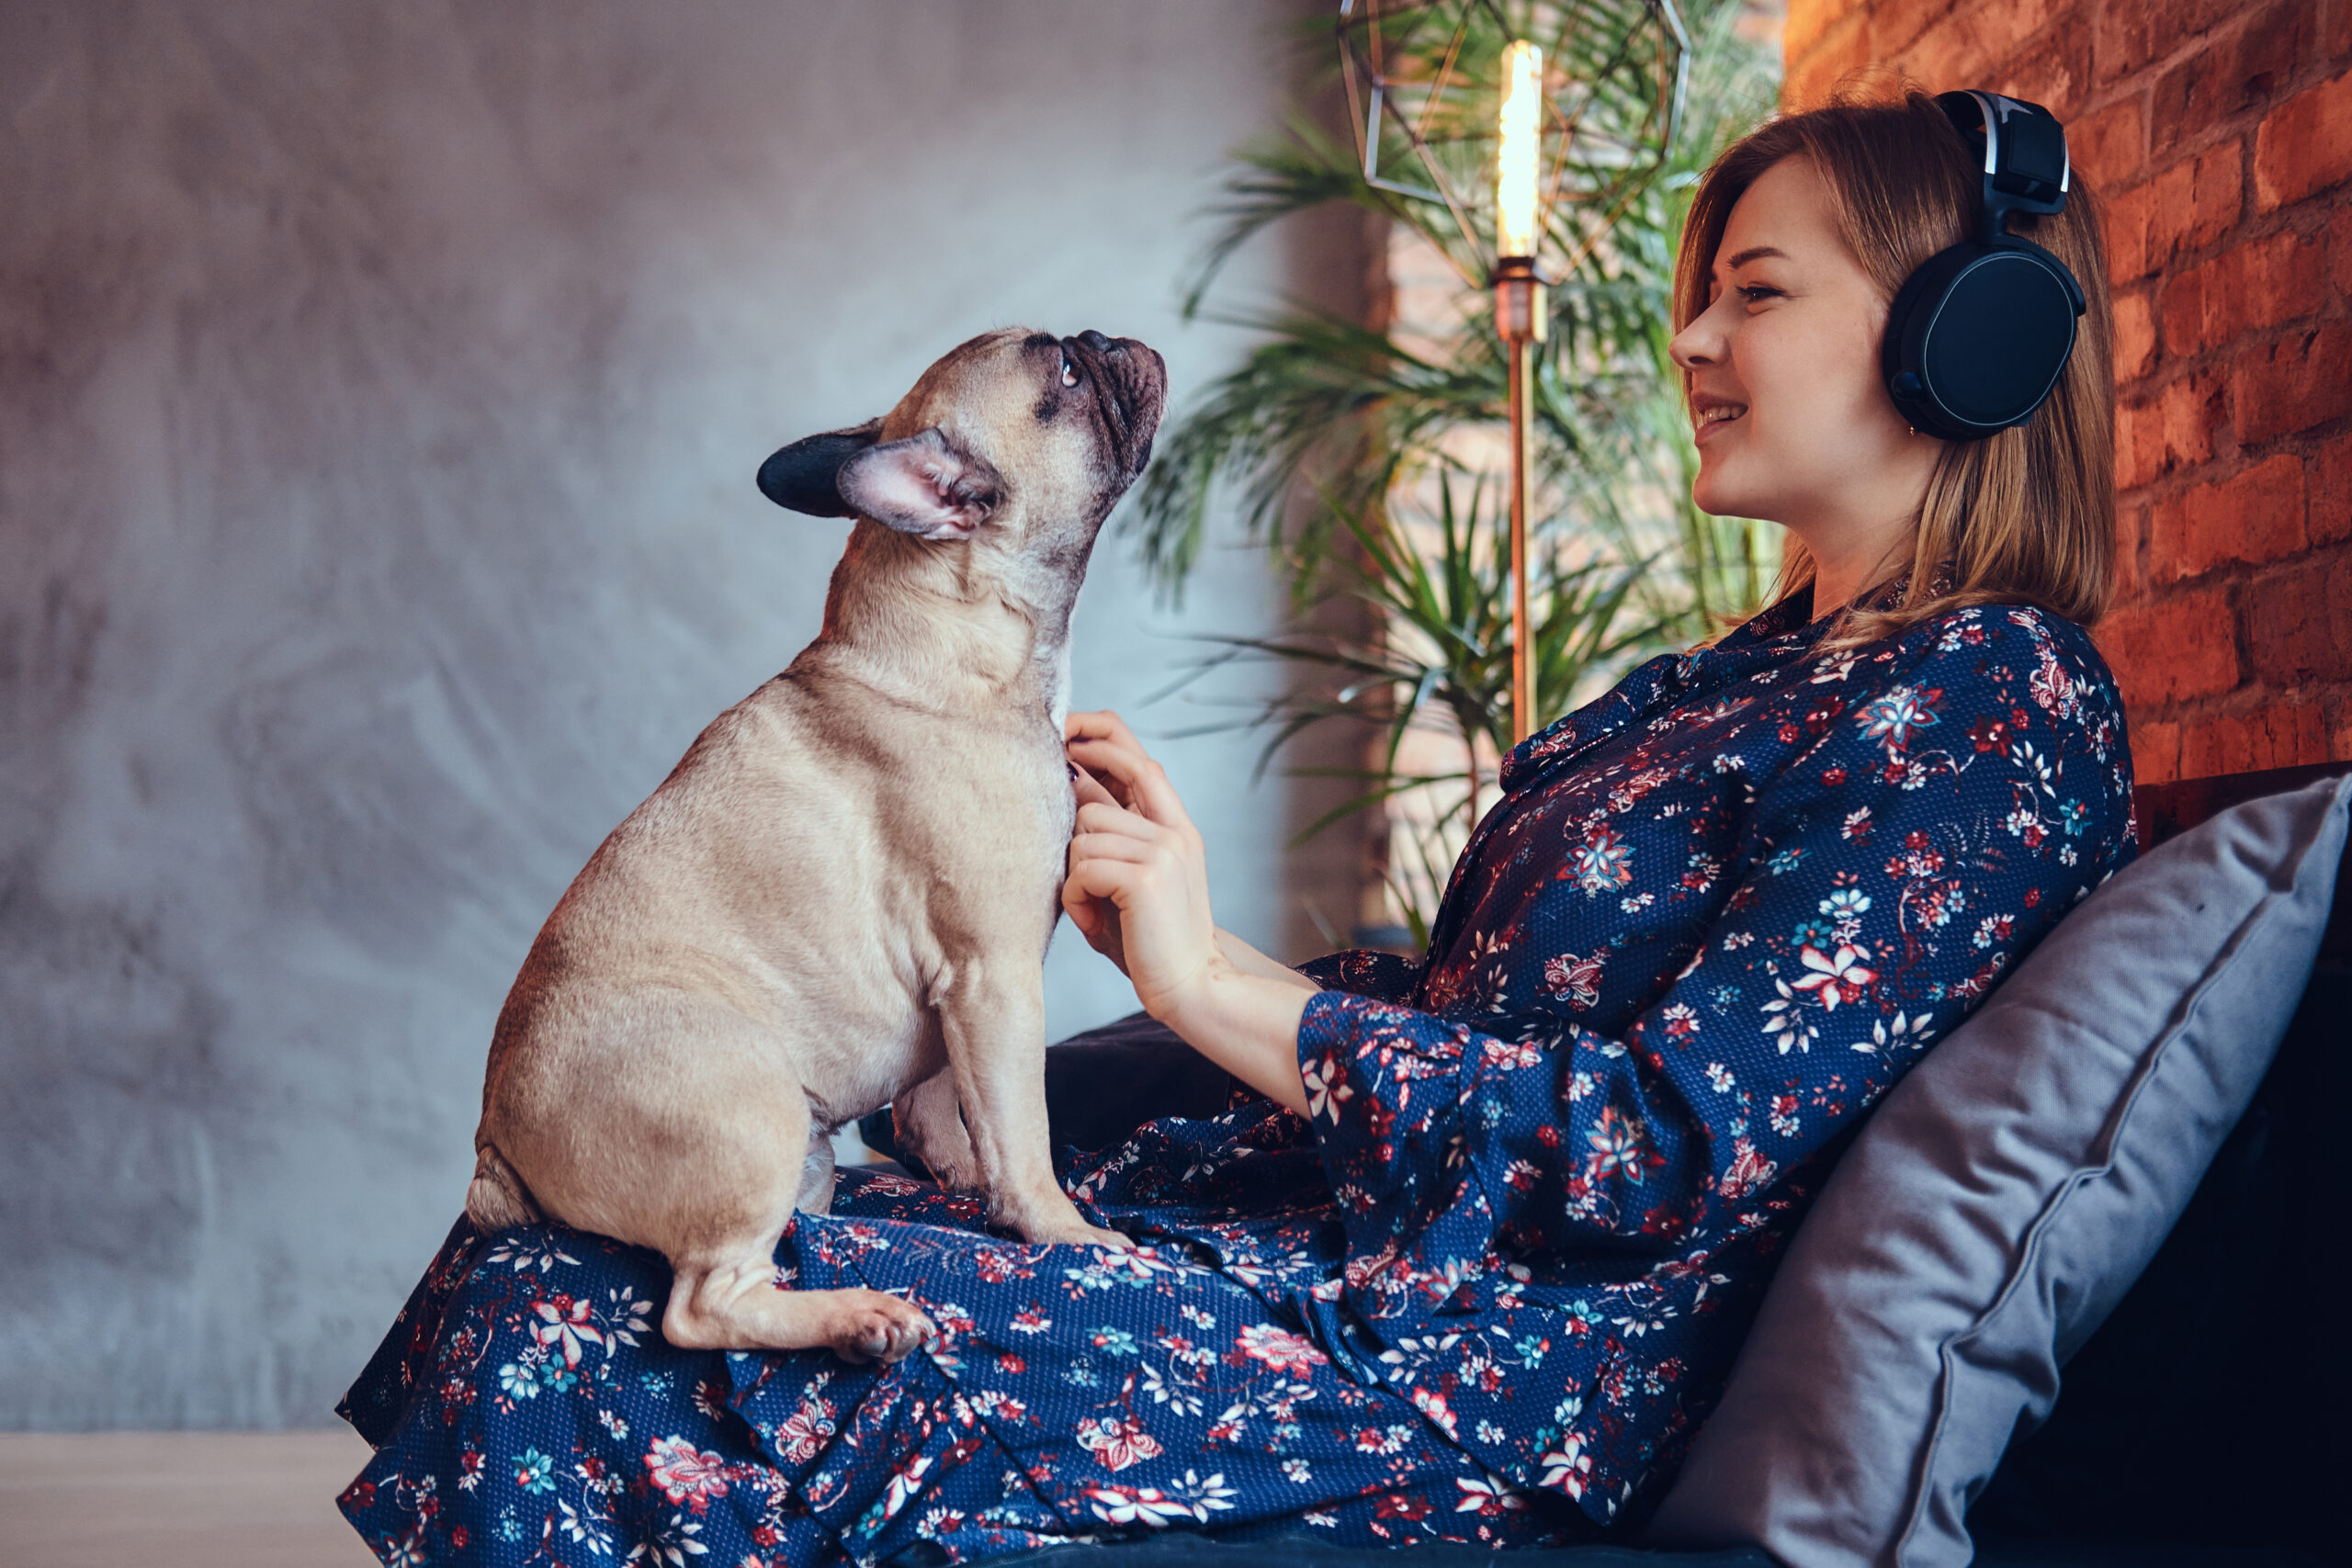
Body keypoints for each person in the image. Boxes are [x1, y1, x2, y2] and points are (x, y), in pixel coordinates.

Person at [337, 89, 2138, 1567]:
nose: (1688, 335)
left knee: (581, 1323)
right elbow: (1462, 1006)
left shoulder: (1985, 718)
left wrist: (1212, 986)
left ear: (1957, 340)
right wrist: (1170, 929)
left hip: (1460, 1363)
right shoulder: (1716, 683)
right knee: (561, 1251)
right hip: (1326, 1237)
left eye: (1754, 291)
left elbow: (1651, 1153)